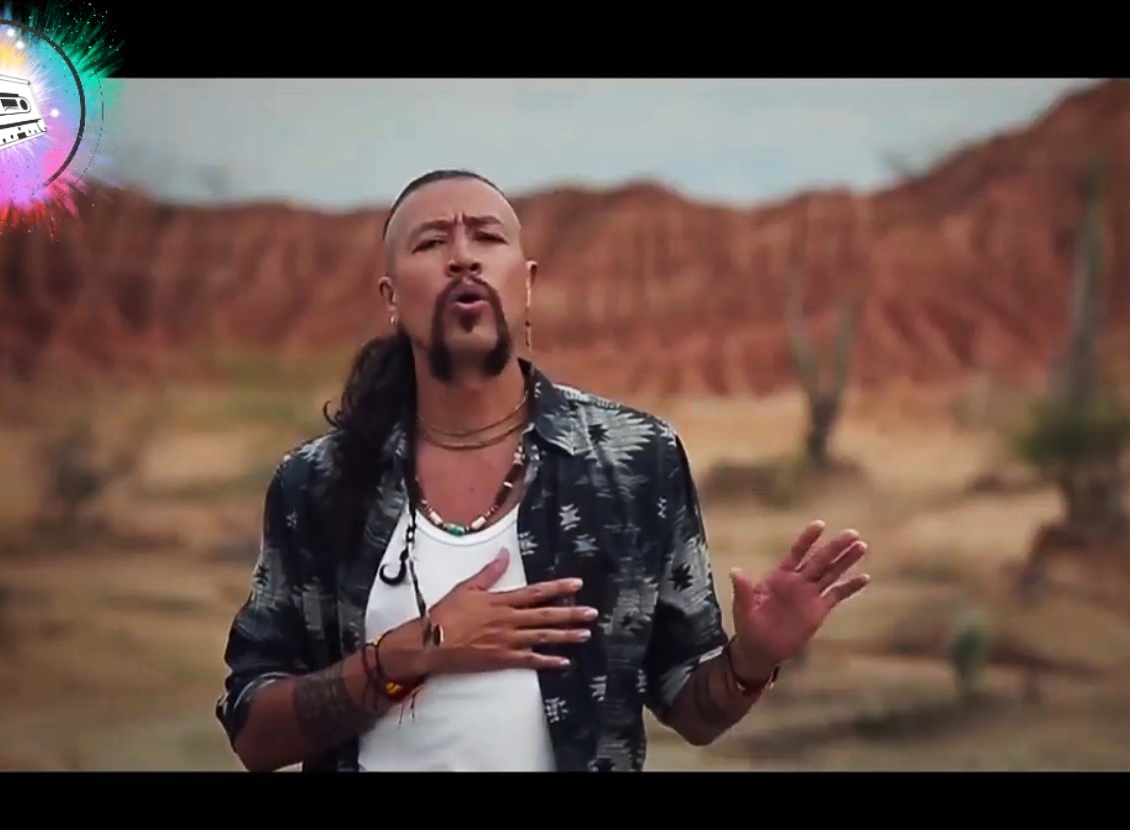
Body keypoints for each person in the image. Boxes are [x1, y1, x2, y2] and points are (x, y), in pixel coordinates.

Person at [214, 168, 872, 772]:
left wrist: (752, 659)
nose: (463, 256)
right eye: (432, 242)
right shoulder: (317, 482)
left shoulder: (635, 459)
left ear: (525, 284)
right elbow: (253, 731)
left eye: (487, 236)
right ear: (392, 297)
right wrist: (412, 652)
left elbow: (689, 707)